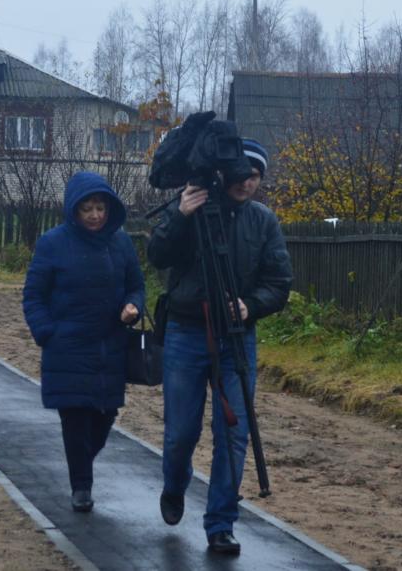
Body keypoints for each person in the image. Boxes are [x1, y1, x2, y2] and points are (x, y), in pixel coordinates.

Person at [147, 139, 292, 555]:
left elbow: (279, 283)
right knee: (180, 433)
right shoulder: (191, 208)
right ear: (226, 171)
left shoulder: (263, 221)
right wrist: (180, 215)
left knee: (233, 432)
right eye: (243, 173)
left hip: (236, 336)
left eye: (256, 176)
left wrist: (251, 306)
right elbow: (156, 254)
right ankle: (175, 484)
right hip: (186, 331)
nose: (248, 183)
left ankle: (220, 523)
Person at [23, 172, 145, 513]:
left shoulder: (120, 243)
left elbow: (136, 283)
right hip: (68, 347)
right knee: (75, 418)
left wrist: (133, 306)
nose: (94, 215)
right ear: (73, 211)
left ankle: (80, 465)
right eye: (87, 209)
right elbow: (34, 295)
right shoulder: (53, 243)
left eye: (100, 208)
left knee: (104, 417)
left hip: (110, 347)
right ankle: (82, 486)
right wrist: (46, 331)